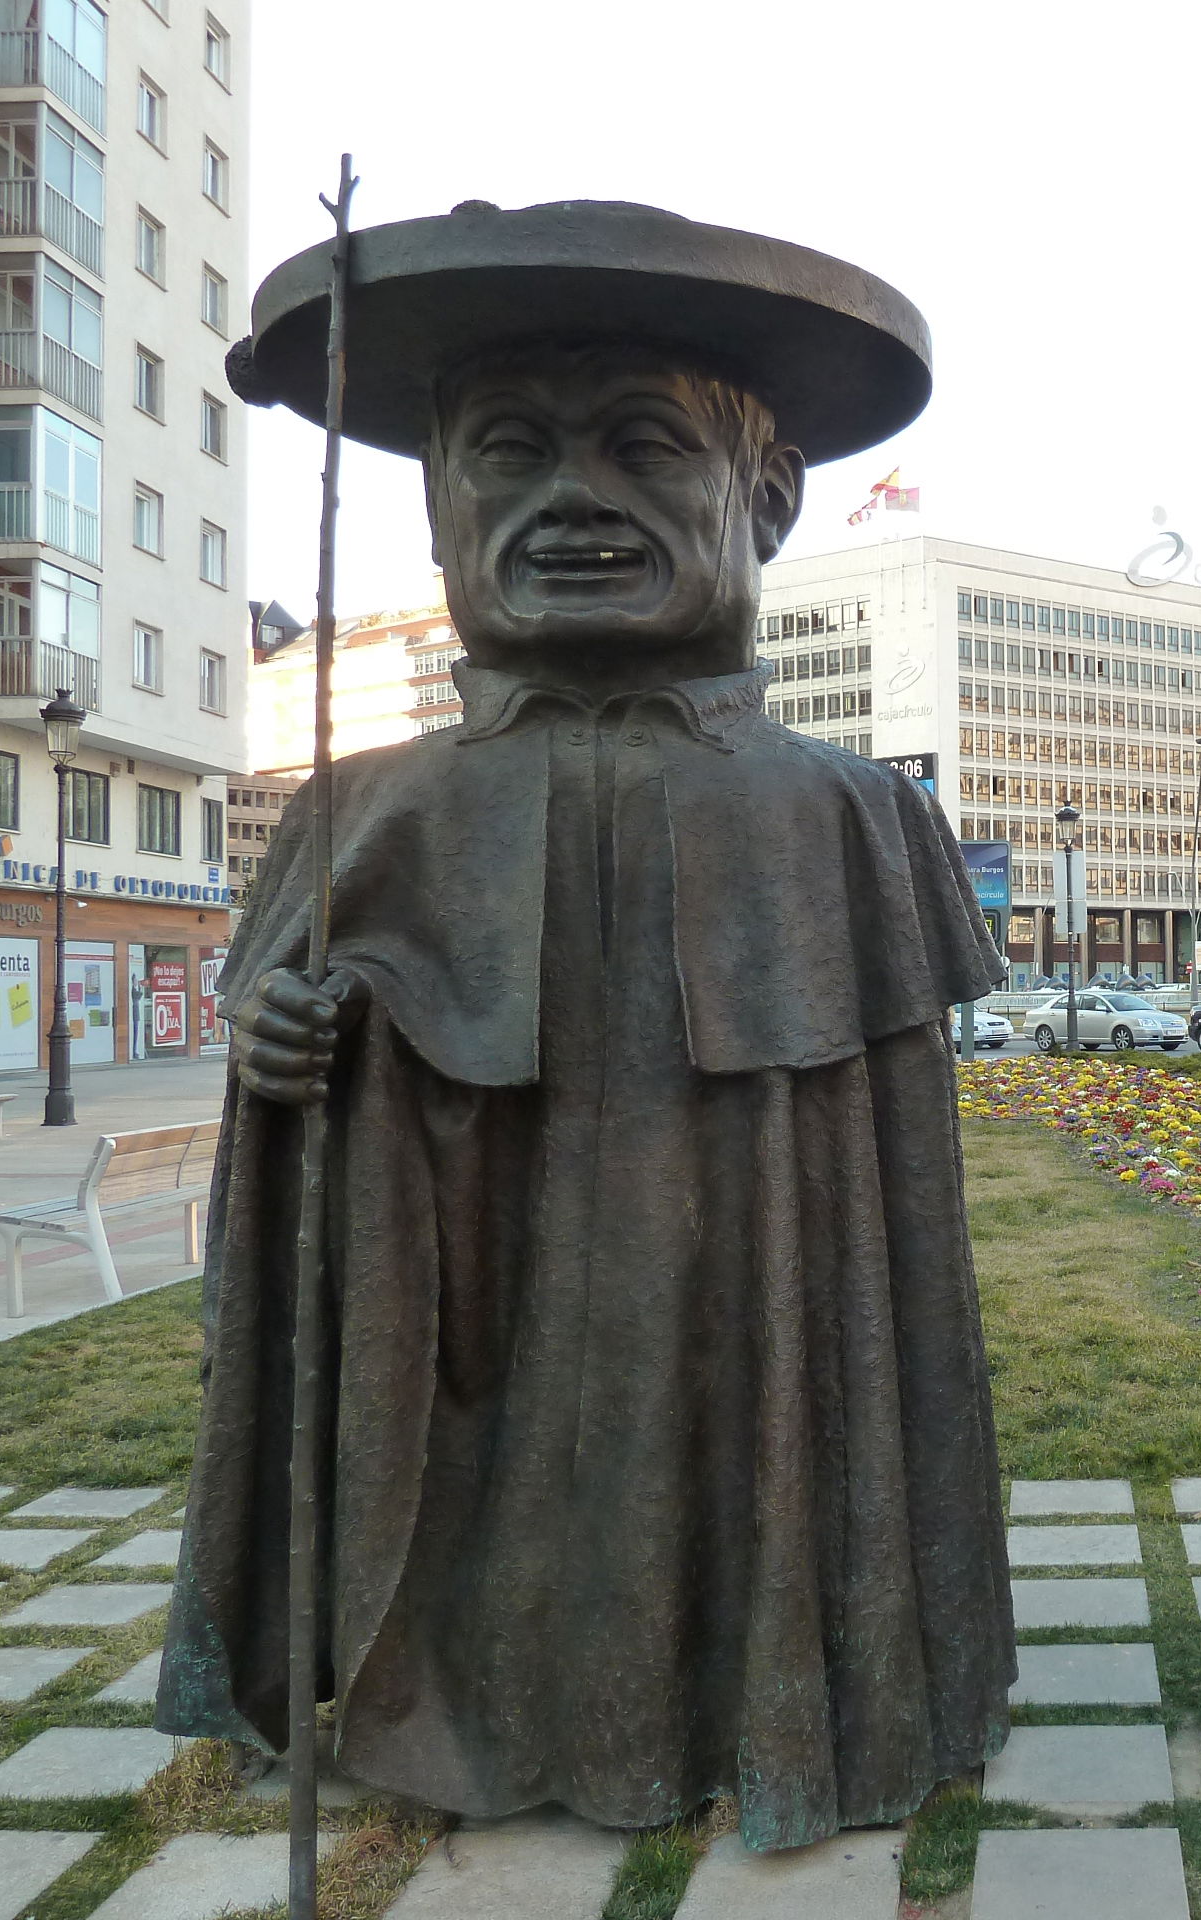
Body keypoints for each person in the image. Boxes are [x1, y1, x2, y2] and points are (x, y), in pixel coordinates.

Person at [159, 200, 1012, 1852]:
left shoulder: (849, 815)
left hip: (746, 1300)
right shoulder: (362, 807)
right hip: (470, 1302)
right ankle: (443, 1698)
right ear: (433, 510)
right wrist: (285, 1055)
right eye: (509, 455)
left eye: (640, 449)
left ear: (763, 500)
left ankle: (777, 1686)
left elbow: (895, 1209)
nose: (573, 502)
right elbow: (277, 1058)